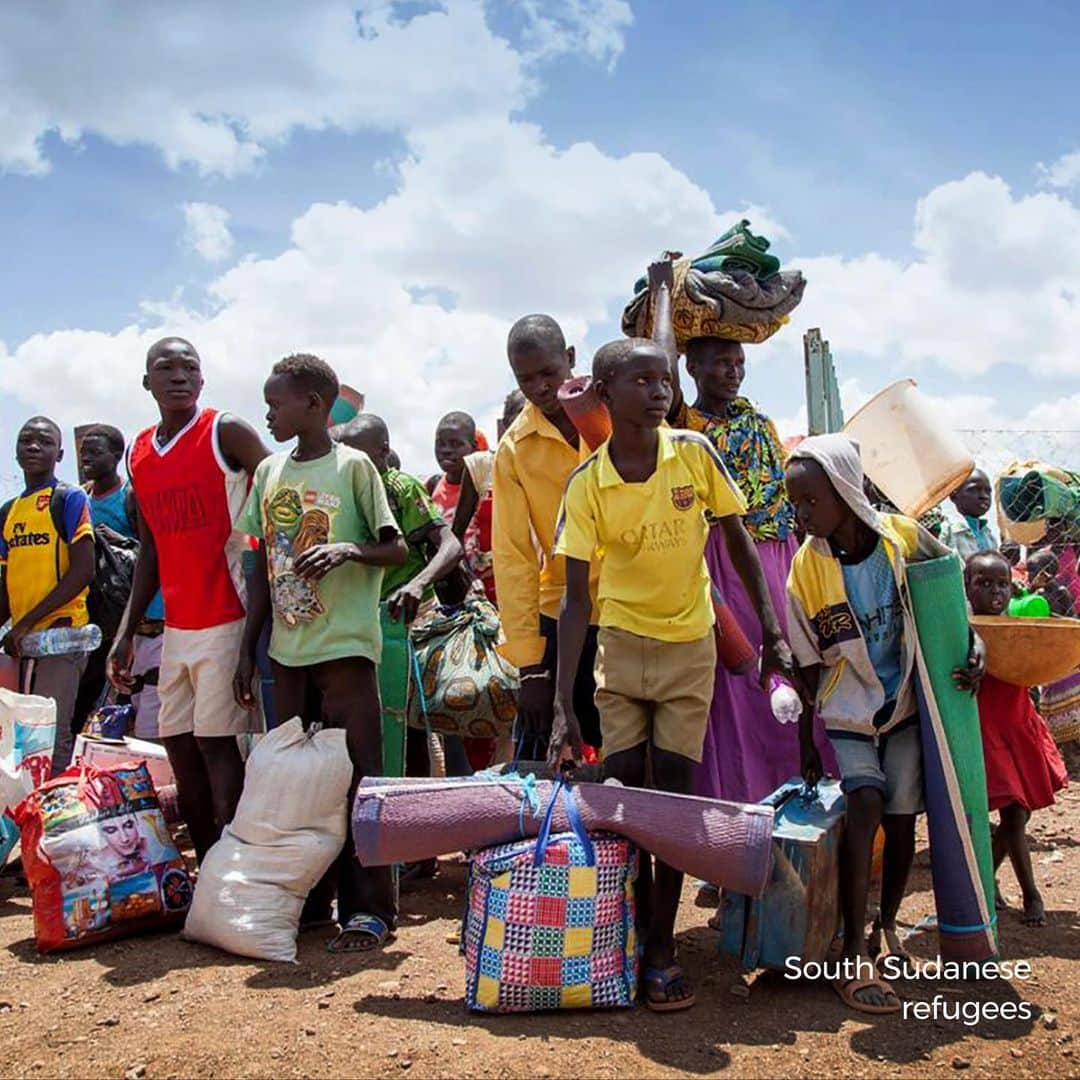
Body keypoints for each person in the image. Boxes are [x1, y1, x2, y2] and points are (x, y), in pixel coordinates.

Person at [548, 332, 796, 1013]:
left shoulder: (694, 455)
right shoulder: (587, 484)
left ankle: (660, 950)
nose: (661, 392)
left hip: (691, 647)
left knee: (676, 806)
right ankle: (627, 936)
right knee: (628, 801)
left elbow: (738, 540)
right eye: (643, 382)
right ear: (605, 395)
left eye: (665, 382)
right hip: (623, 651)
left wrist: (771, 631)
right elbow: (575, 601)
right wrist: (567, 705)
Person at [784, 434, 985, 1015]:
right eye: (794, 503)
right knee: (864, 801)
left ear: (845, 492)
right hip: (848, 706)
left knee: (901, 820)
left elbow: (950, 596)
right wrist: (806, 741)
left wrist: (973, 644)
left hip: (904, 703)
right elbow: (805, 662)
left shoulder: (900, 540)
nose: (801, 514)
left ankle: (886, 925)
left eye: (810, 501)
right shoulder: (806, 569)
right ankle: (852, 946)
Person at [234, 355, 407, 953]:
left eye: (275, 403)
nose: (268, 414)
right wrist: (246, 648)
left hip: (346, 647)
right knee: (297, 785)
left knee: (360, 777)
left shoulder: (354, 466)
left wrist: (346, 551)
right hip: (288, 650)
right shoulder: (269, 473)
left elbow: (395, 548)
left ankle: (369, 910)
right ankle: (308, 902)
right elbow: (260, 567)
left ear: (313, 403)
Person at [654, 258, 833, 809]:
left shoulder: (758, 421)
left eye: (737, 363)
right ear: (691, 370)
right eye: (718, 364)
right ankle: (737, 815)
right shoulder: (685, 424)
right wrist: (664, 291)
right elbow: (659, 368)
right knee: (733, 688)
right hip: (717, 562)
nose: (732, 372)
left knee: (790, 671)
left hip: (775, 562)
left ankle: (798, 806)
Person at [107, 337, 268, 865]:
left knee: (217, 743)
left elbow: (281, 494)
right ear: (146, 381)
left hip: (230, 614)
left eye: (190, 367)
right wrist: (126, 632)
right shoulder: (139, 453)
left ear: (202, 381)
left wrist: (258, 632)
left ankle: (234, 868)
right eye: (165, 367)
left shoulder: (227, 433)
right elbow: (151, 545)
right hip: (178, 623)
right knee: (177, 744)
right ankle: (206, 861)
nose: (179, 376)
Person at [332, 414, 469, 786]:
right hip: (358, 623)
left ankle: (417, 822)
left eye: (364, 457)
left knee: (414, 725)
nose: (357, 466)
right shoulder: (340, 492)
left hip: (409, 620)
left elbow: (450, 546)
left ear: (384, 452)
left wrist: (417, 583)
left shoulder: (401, 489)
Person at [494, 315, 602, 759]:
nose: (539, 387)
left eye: (549, 373)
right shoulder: (515, 449)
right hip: (563, 613)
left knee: (634, 759)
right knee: (554, 758)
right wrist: (531, 669)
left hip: (634, 605)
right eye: (526, 379)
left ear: (571, 360)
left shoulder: (614, 412)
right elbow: (513, 557)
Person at [964, 550, 1067, 926]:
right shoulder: (963, 628)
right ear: (967, 587)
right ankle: (1032, 895)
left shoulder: (1017, 624)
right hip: (986, 729)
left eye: (1003, 584)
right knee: (1012, 810)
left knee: (1018, 813)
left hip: (1018, 721)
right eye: (984, 583)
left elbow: (1039, 657)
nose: (995, 592)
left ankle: (985, 878)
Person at [1, 417, 95, 774]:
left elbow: (82, 571)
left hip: (61, 638)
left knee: (51, 736)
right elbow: (5, 582)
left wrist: (24, 623)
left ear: (60, 453)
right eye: (26, 440)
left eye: (44, 441)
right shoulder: (9, 512)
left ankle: (50, 820)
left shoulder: (69, 499)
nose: (34, 447)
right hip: (21, 644)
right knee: (19, 737)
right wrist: (16, 627)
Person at [78, 425, 166, 741]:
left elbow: (149, 554)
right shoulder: (80, 498)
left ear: (117, 455)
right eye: (84, 452)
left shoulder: (129, 496)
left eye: (96, 452)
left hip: (139, 612)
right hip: (97, 617)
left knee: (137, 704)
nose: (87, 458)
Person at [428, 412, 496, 604]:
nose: (446, 450)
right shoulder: (432, 488)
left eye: (456, 444)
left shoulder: (487, 485)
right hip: (456, 592)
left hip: (494, 587)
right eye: (440, 443)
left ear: (473, 448)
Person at [941, 468, 997, 560]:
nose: (984, 496)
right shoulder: (948, 532)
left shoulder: (988, 535)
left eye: (988, 491)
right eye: (974, 489)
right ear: (953, 495)